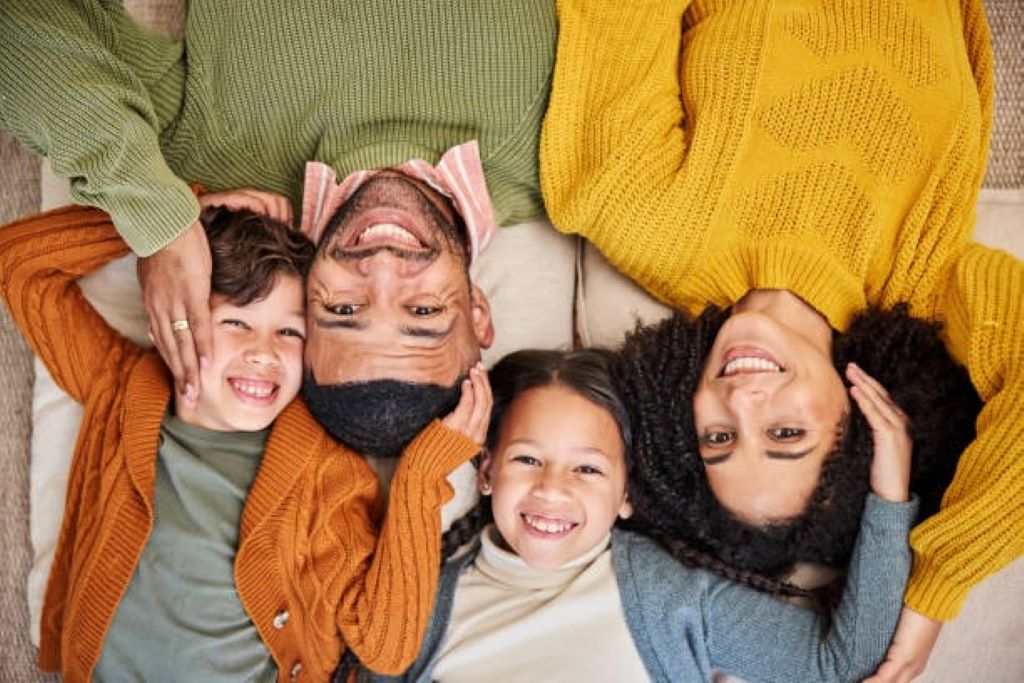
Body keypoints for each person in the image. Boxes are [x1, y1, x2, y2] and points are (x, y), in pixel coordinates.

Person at [539, 0, 1022, 676]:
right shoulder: (924, 278)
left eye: (718, 437)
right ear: (860, 419)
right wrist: (939, 579)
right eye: (786, 433)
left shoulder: (637, 215)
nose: (742, 402)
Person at [0, 194, 490, 681]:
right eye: (235, 322)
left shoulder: (325, 474)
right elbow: (19, 263)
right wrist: (172, 220)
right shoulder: (122, 389)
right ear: (174, 321)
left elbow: (385, 649)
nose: (264, 353)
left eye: (290, 333)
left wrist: (419, 481)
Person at [0, 0, 556, 404]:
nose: (383, 267)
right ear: (478, 311)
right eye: (424, 311)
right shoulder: (560, 155)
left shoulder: (209, 160)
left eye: (344, 311)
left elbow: (19, 31)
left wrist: (159, 220)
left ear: (304, 306)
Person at [360, 348, 919, 682]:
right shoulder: (420, 606)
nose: (552, 488)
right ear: (486, 472)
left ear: (626, 494)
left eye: (588, 469)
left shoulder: (668, 597)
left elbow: (838, 663)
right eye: (527, 459)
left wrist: (890, 492)